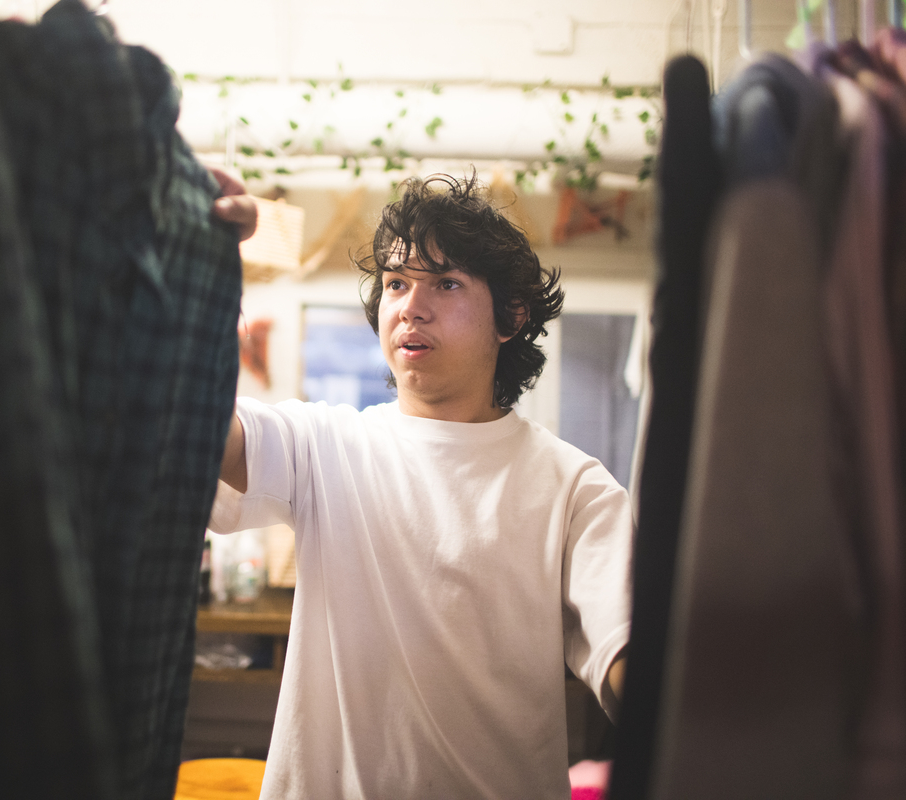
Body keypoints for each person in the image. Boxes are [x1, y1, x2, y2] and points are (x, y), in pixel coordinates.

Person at [210, 174, 632, 799]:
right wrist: (201, 277)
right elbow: (205, 431)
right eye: (397, 283)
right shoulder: (326, 446)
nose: (410, 305)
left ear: (510, 318)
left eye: (447, 283)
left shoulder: (573, 487)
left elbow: (636, 662)